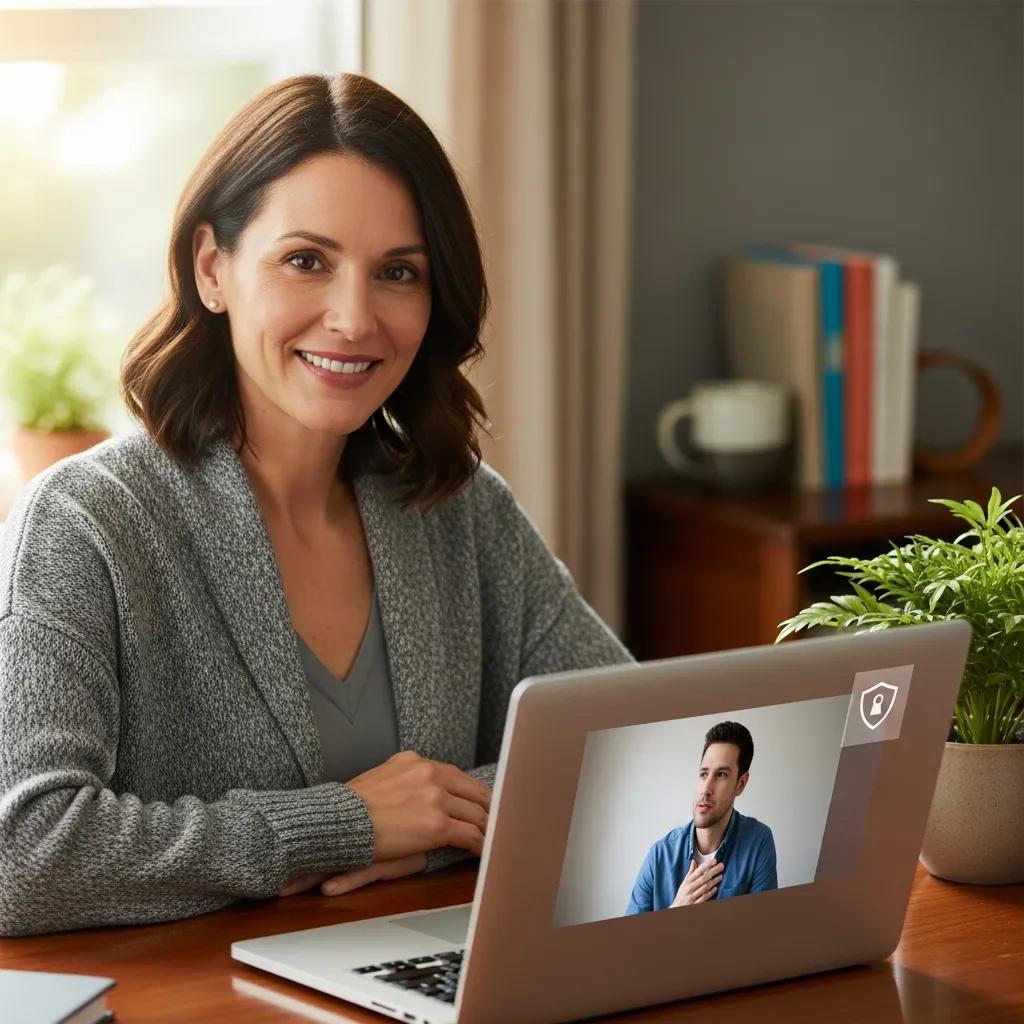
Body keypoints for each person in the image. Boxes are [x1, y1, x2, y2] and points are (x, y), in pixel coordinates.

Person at [0, 72, 632, 937]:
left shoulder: (462, 513)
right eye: (307, 261)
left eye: (398, 272)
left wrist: (440, 825)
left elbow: (636, 751)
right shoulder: (85, 522)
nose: (354, 318)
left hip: (423, 974)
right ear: (213, 268)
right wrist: (344, 825)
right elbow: (21, 855)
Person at [625, 721, 776, 914]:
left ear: (740, 784)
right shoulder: (659, 855)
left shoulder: (758, 842)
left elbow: (763, 926)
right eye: (704, 774)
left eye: (721, 775)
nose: (705, 789)